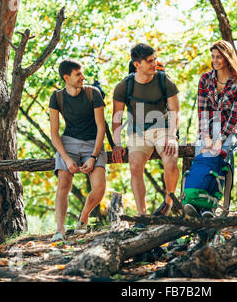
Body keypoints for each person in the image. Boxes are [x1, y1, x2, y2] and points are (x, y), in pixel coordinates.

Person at [112, 43, 180, 219]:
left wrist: (172, 136)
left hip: (163, 129)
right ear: (137, 65)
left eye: (155, 59)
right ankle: (142, 216)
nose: (154, 64)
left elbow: (175, 112)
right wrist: (117, 144)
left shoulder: (164, 81)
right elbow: (116, 118)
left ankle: (168, 202)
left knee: (171, 162)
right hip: (138, 133)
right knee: (135, 167)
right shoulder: (123, 86)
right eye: (150, 61)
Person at [185, 39, 237, 218]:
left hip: (231, 128)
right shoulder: (205, 79)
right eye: (213, 57)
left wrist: (219, 139)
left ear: (228, 58)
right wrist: (206, 137)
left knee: (221, 157)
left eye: (219, 57)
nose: (215, 61)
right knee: (203, 159)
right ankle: (195, 205)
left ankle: (211, 208)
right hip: (208, 128)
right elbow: (202, 111)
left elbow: (235, 114)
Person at [49, 59, 107, 242]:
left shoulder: (93, 93)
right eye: (78, 74)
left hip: (93, 142)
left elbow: (101, 128)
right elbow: (54, 133)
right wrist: (66, 158)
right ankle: (59, 231)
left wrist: (93, 156)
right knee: (63, 184)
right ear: (67, 77)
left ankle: (83, 220)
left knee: (99, 188)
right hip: (68, 143)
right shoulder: (57, 97)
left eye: (82, 73)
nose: (83, 77)